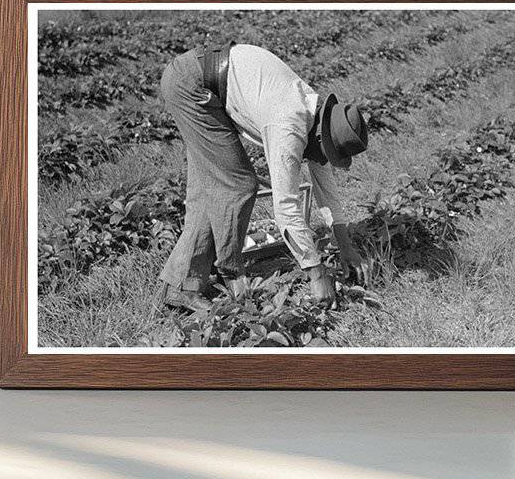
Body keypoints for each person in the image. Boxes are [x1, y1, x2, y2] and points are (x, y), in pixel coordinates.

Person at [158, 40, 370, 305]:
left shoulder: (315, 114)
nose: (322, 161)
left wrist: (345, 244)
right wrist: (317, 275)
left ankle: (183, 284)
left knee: (210, 187)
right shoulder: (289, 125)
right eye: (328, 153)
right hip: (193, 86)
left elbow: (327, 192)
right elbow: (285, 207)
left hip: (202, 76)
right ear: (321, 137)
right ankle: (230, 273)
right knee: (237, 184)